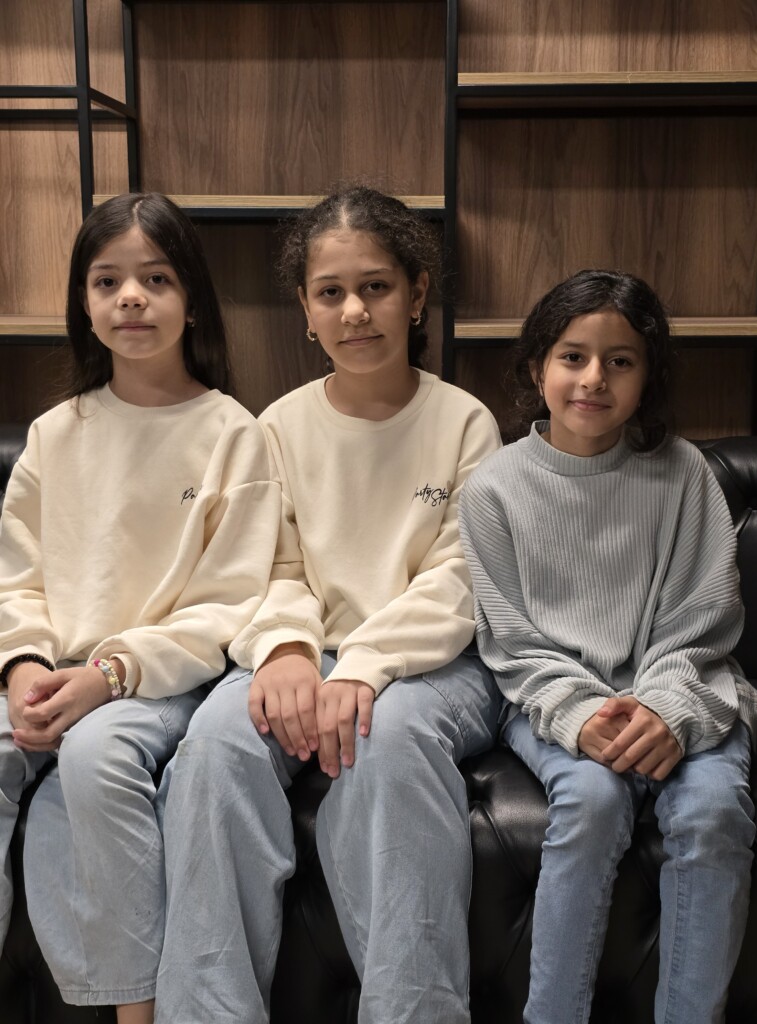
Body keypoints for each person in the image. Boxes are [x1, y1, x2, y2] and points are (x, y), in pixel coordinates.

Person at [155, 185, 503, 1024]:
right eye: (331, 292)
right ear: (305, 311)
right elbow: (266, 566)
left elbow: (461, 578)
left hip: (431, 666)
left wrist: (371, 670)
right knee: (212, 748)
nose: (356, 311)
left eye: (377, 287)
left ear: (417, 294)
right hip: (301, 653)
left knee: (389, 744)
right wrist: (285, 653)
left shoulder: (466, 424)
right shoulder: (273, 427)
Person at [0, 192, 281, 1024]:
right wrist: (21, 669)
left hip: (158, 685)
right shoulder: (56, 434)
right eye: (107, 281)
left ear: (191, 299)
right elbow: (17, 578)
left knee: (92, 758)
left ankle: (138, 1012)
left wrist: (109, 674)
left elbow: (230, 603)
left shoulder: (235, 432)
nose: (131, 297)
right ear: (83, 306)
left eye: (156, 278)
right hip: (46, 676)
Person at [458, 268, 757, 1024]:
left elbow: (704, 621)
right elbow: (513, 643)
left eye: (620, 361)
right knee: (591, 802)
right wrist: (583, 714)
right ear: (538, 367)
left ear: (646, 375)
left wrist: (663, 711)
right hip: (556, 703)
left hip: (684, 693)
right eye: (573, 356)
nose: (593, 379)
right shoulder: (493, 490)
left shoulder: (685, 473)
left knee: (715, 813)